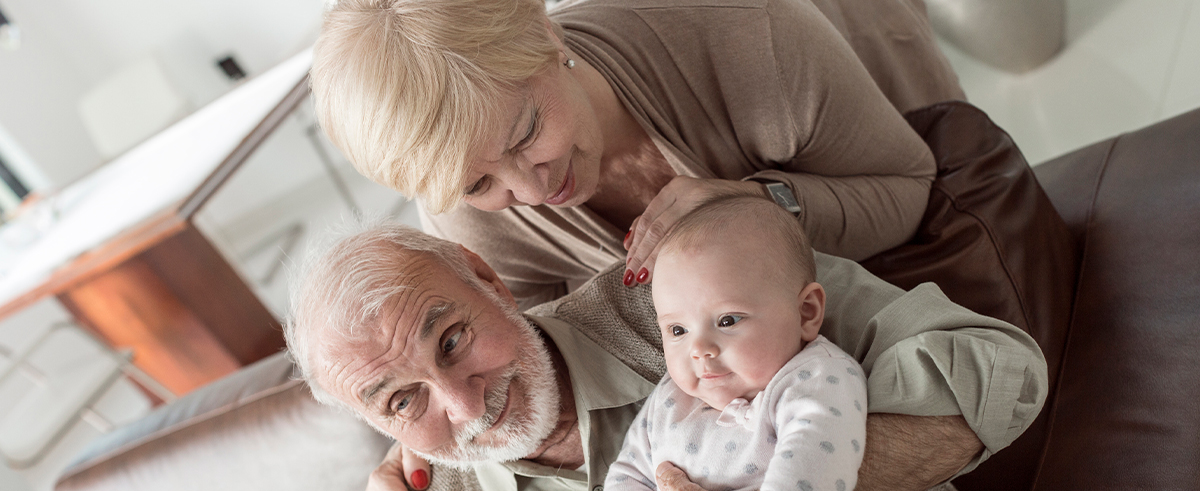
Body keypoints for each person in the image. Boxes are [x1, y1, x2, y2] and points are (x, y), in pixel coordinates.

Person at [284, 221, 1048, 491]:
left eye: (450, 340)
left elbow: (999, 369)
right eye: (400, 402)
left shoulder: (688, 301)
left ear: (486, 277)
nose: (462, 403)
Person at [309, 0, 965, 308]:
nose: (532, 194)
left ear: (545, 32)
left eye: (526, 134)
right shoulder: (468, 217)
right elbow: (531, 365)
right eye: (480, 182)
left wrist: (765, 207)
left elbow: (912, 186)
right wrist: (421, 451)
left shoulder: (751, 31)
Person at [601, 198, 890, 491]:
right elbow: (629, 474)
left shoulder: (813, 377)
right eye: (677, 330)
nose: (699, 348)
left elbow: (818, 459)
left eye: (727, 319)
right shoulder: (670, 399)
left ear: (806, 312)